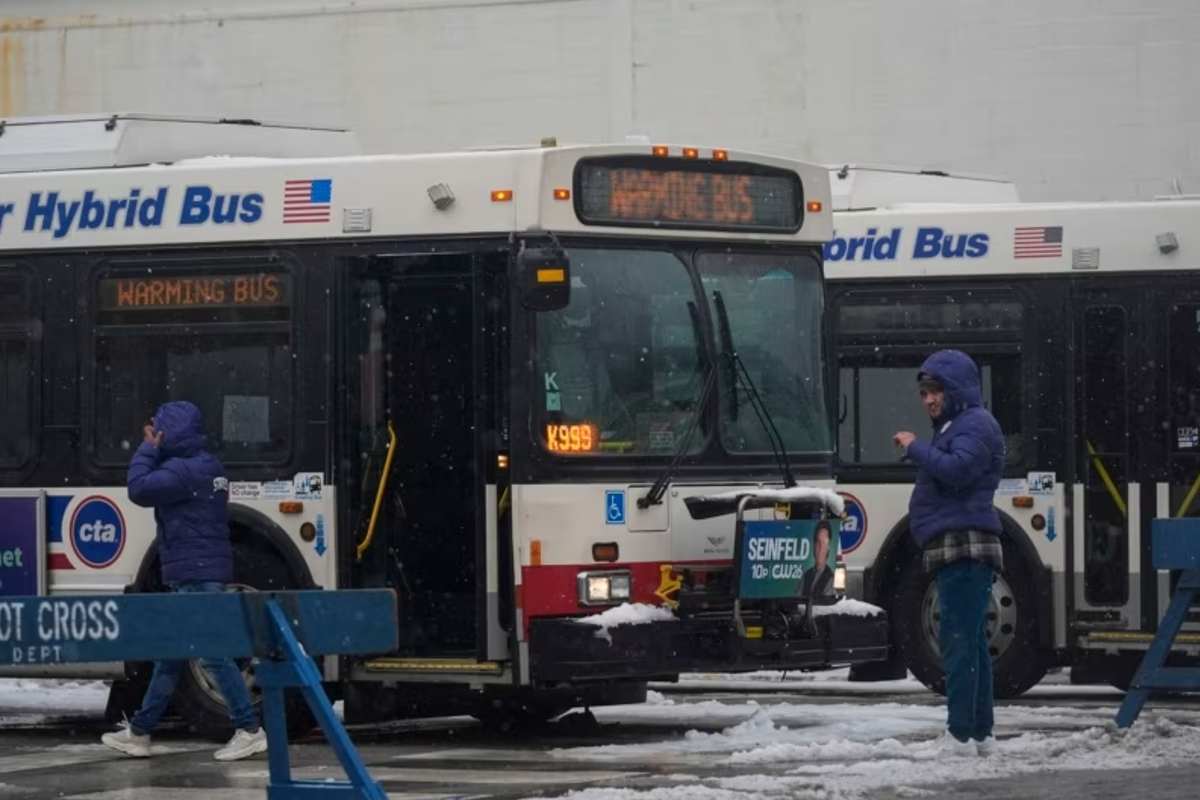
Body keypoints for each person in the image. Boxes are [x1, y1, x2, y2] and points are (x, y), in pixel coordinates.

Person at [100, 401, 268, 762]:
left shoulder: (181, 472)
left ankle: (249, 729)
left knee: (212, 653)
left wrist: (148, 448)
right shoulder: (208, 466)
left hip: (194, 573)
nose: (152, 433)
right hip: (200, 570)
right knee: (172, 656)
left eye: (157, 428)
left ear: (169, 433)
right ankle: (141, 732)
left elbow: (138, 489)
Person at [892, 350, 1004, 757]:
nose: (928, 400)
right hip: (957, 545)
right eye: (924, 393)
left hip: (964, 546)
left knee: (958, 641)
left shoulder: (974, 424)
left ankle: (960, 735)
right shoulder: (961, 424)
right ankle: (980, 733)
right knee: (971, 642)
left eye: (935, 391)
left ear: (955, 389)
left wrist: (915, 448)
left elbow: (958, 471)